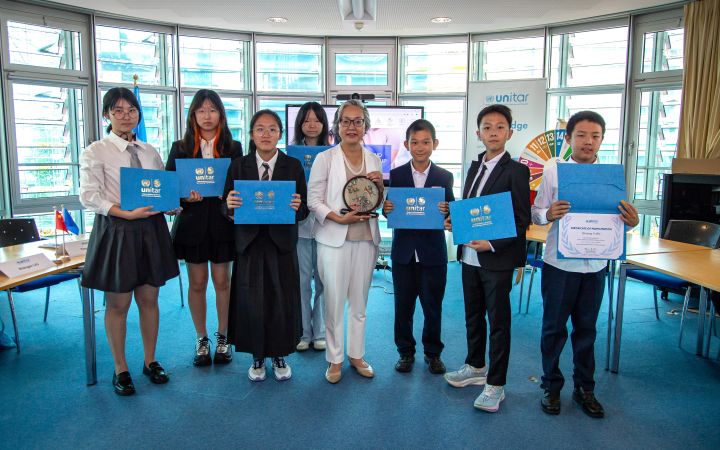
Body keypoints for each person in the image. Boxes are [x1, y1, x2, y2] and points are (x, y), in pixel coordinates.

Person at [531, 111, 639, 418]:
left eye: (595, 136)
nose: (588, 142)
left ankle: (584, 388)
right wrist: (548, 214)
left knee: (587, 330)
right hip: (559, 264)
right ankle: (551, 387)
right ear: (568, 139)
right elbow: (536, 213)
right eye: (581, 135)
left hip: (595, 266)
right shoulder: (554, 171)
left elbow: (616, 222)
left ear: (602, 140)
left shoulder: (611, 177)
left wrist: (632, 222)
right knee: (553, 329)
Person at [79, 87, 180, 396]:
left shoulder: (150, 151)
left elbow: (160, 189)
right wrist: (123, 213)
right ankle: (120, 367)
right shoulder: (96, 151)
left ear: (139, 114)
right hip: (117, 230)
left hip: (151, 230)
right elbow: (88, 196)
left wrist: (171, 203)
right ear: (107, 114)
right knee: (119, 302)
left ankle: (150, 361)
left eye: (132, 110)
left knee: (149, 299)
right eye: (118, 110)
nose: (126, 116)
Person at [444, 104, 530, 413]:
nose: (493, 132)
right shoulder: (474, 166)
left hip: (496, 258)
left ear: (510, 132)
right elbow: (471, 210)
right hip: (469, 256)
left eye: (500, 127)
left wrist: (491, 244)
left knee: (498, 323)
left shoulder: (518, 171)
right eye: (487, 127)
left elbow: (521, 221)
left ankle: (496, 384)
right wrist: (456, 222)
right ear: (478, 133)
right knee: (472, 315)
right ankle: (475, 366)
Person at [224, 109, 307, 382]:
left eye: (272, 129)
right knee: (251, 300)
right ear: (251, 134)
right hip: (249, 243)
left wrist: (297, 207)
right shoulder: (238, 165)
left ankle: (279, 354)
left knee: (281, 299)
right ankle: (257, 356)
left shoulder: (293, 166)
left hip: (281, 243)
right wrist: (229, 206)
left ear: (280, 134)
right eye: (260, 129)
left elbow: (303, 208)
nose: (266, 134)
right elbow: (226, 206)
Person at [307, 99, 384, 384]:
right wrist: (336, 218)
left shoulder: (374, 159)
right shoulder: (325, 159)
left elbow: (376, 201)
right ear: (337, 126)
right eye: (346, 121)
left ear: (365, 126)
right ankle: (335, 359)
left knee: (360, 303)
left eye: (358, 121)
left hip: (366, 239)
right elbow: (313, 199)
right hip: (334, 239)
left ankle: (357, 355)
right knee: (335, 302)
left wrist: (380, 187)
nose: (352, 127)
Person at [165, 89, 243, 367]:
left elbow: (241, 184)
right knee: (197, 283)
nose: (207, 116)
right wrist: (183, 196)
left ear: (221, 114)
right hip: (193, 223)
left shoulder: (234, 147)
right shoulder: (181, 147)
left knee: (223, 282)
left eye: (212, 110)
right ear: (193, 115)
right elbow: (168, 189)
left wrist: (231, 194)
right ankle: (201, 338)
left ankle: (223, 337)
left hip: (223, 223)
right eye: (201, 111)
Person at [382, 119, 455, 375]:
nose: (420, 147)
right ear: (406, 144)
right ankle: (405, 352)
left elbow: (452, 212)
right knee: (403, 307)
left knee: (432, 306)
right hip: (403, 253)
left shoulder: (444, 176)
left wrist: (449, 212)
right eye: (415, 142)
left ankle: (433, 354)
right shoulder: (397, 174)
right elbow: (390, 209)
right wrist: (385, 208)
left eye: (426, 142)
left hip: (433, 254)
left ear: (434, 144)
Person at [291, 102, 330, 352]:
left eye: (317, 120)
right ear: (300, 125)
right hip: (301, 225)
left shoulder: (334, 153)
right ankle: (304, 332)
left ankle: (322, 332)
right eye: (306, 120)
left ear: (324, 124)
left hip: (328, 225)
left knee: (325, 281)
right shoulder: (291, 155)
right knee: (302, 281)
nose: (312, 125)